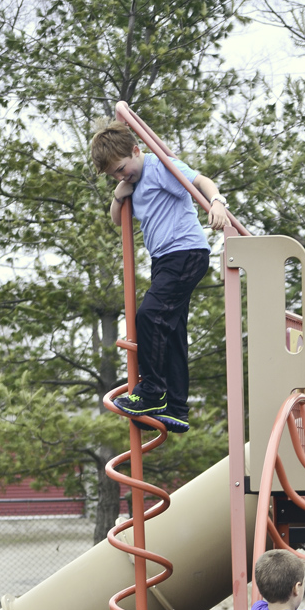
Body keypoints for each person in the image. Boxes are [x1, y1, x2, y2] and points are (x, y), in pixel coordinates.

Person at [90, 121, 229, 433]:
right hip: (165, 261)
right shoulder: (132, 183)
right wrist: (118, 194)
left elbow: (200, 180)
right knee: (173, 332)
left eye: (122, 168)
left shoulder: (158, 166)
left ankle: (151, 391)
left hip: (186, 253)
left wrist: (217, 202)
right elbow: (117, 220)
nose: (121, 175)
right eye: (114, 174)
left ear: (136, 150)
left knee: (149, 316)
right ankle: (177, 408)